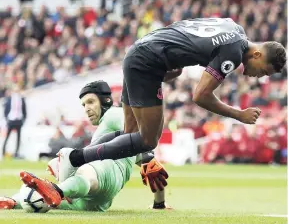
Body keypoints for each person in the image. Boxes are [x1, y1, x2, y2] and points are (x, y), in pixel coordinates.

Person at [56, 17, 286, 190]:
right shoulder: (234, 53)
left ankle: (74, 159)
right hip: (148, 62)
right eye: (264, 71)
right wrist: (239, 115)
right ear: (257, 55)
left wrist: (174, 58)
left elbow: (186, 27)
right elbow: (201, 95)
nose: (259, 77)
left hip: (141, 49)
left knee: (130, 134)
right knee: (147, 139)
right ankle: (75, 158)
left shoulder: (234, 27)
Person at [2, 80, 170, 210]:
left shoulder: (113, 113)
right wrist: (159, 203)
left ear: (105, 100)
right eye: (84, 105)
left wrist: (148, 154)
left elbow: (136, 132)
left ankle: (57, 190)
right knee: (36, 200)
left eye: (91, 102)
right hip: (96, 202)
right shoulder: (110, 134)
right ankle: (14, 200)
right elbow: (154, 172)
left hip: (106, 173)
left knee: (79, 165)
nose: (87, 108)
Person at [2, 85, 27, 158]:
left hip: (19, 120)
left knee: (18, 138)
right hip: (11, 120)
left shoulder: (22, 99)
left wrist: (23, 119)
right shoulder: (9, 99)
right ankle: (3, 152)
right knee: (7, 137)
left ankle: (16, 153)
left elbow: (24, 110)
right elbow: (6, 110)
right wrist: (7, 119)